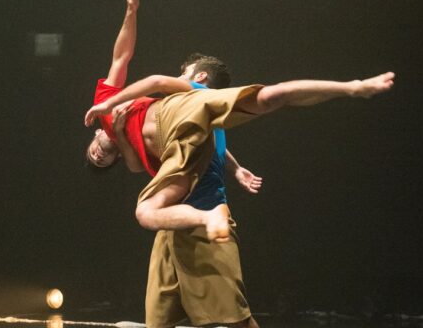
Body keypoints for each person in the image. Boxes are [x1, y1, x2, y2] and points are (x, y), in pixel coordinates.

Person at [92, 0, 287, 328]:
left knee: (235, 312)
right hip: (172, 216)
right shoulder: (122, 124)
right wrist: (121, 138)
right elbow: (133, 165)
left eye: (94, 147)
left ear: (196, 79)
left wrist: (130, 11)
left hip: (207, 212)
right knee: (158, 312)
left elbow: (121, 56)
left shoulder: (165, 101)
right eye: (96, 156)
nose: (94, 150)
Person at [85, 60, 395, 243]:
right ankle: (353, 88)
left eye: (186, 68)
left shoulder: (190, 89)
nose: (181, 70)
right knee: (275, 96)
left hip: (180, 129)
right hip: (185, 148)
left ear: (199, 75)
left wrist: (109, 103)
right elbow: (214, 134)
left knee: (144, 212)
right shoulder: (205, 103)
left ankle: (207, 219)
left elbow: (150, 79)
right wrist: (235, 168)